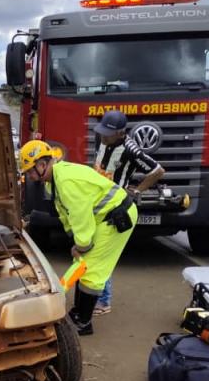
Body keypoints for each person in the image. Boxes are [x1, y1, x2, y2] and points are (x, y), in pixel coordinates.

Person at [20, 141, 137, 336]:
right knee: (82, 264)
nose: (30, 176)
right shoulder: (54, 181)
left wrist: (82, 245)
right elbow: (65, 214)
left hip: (116, 217)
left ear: (42, 164)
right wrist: (75, 241)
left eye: (30, 171)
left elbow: (80, 215)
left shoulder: (65, 181)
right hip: (103, 217)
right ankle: (78, 313)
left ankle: (83, 322)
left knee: (92, 272)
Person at [91, 110, 165, 316]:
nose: (104, 136)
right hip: (97, 203)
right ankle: (95, 295)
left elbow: (158, 171)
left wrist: (136, 191)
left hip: (115, 207)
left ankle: (103, 301)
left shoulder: (130, 149)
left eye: (108, 133)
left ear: (121, 133)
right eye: (102, 132)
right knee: (93, 251)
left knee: (102, 254)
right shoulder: (102, 140)